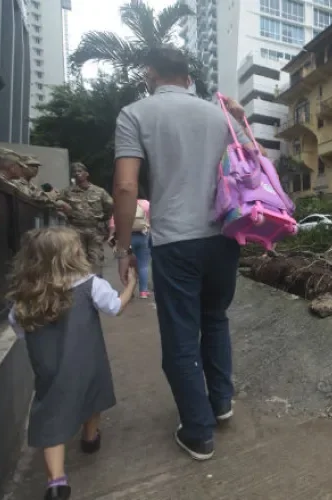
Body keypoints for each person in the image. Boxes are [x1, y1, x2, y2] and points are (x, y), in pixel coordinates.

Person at [112, 45, 263, 461]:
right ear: (188, 75)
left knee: (181, 335)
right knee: (215, 319)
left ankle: (197, 432)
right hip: (224, 237)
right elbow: (257, 162)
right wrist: (239, 118)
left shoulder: (135, 114)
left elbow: (126, 187)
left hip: (176, 241)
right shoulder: (219, 115)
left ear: (150, 73)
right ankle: (220, 402)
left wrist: (123, 249)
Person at [5, 227, 137, 500]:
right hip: (87, 363)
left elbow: (18, 330)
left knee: (51, 417)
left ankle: (56, 482)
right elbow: (114, 307)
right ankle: (90, 438)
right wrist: (131, 286)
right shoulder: (90, 284)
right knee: (90, 397)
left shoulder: (24, 298)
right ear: (72, 256)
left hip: (49, 371)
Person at [57, 162, 114, 276]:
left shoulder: (99, 191)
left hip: (95, 229)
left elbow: (110, 205)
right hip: (75, 229)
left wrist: (104, 218)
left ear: (86, 174)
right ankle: (80, 285)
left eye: (80, 171)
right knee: (77, 258)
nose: (77, 174)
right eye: (74, 172)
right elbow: (56, 203)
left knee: (96, 258)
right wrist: (65, 213)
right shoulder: (67, 192)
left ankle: (97, 286)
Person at [109, 198, 152, 299]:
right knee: (143, 265)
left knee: (125, 266)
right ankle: (143, 292)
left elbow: (112, 223)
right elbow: (151, 220)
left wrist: (111, 237)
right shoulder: (146, 203)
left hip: (125, 238)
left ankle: (129, 292)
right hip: (143, 236)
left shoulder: (120, 204)